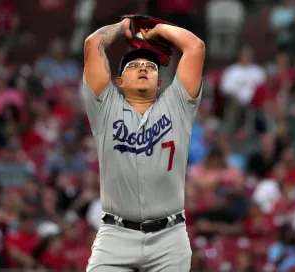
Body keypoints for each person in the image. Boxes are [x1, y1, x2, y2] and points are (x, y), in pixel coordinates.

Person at [81, 16, 205, 271]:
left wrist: (159, 30)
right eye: (133, 65)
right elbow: (93, 44)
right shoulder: (104, 108)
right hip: (116, 235)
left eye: (151, 66)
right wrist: (123, 27)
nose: (143, 68)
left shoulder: (178, 105)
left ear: (160, 83)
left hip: (169, 238)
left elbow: (195, 47)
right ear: (119, 81)